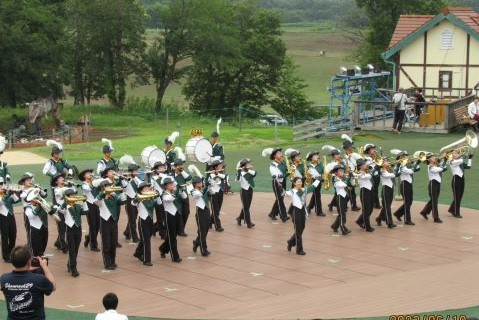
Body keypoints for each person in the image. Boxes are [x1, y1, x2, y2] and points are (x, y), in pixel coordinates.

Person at [1, 245, 56, 320]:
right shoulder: (39, 279)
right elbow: (53, 286)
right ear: (29, 262)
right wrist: (44, 267)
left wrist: (27, 268)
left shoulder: (4, 279)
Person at [95, 169, 124, 270]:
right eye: (106, 186)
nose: (109, 188)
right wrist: (104, 194)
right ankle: (107, 263)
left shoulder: (114, 195)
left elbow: (122, 201)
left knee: (112, 243)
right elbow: (96, 202)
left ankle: (113, 261)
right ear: (103, 188)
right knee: (106, 243)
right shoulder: (100, 196)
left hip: (113, 220)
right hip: (105, 221)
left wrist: (121, 190)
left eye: (109, 186)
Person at [286, 177, 320, 255]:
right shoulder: (292, 191)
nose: (299, 183)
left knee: (302, 228)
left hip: (302, 212)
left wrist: (318, 180)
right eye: (298, 182)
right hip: (296, 212)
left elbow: (312, 187)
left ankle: (291, 241)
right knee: (298, 231)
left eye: (300, 182)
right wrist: (279, 187)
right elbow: (284, 194)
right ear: (294, 183)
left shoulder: (304, 190)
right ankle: (299, 250)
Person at [133, 182, 160, 266]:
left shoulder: (151, 198)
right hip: (143, 220)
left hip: (150, 220)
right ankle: (146, 260)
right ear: (141, 191)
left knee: (146, 238)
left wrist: (158, 196)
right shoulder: (139, 197)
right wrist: (137, 198)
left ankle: (138, 252)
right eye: (145, 188)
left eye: (148, 188)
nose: (148, 189)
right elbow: (133, 203)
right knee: (146, 241)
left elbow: (159, 203)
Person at [60, 189, 86, 277]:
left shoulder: (78, 206)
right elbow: (60, 210)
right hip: (70, 229)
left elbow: (85, 212)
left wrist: (84, 202)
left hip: (78, 228)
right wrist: (65, 201)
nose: (74, 197)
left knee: (76, 248)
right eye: (71, 195)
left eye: (74, 195)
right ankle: (73, 269)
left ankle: (70, 264)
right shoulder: (65, 207)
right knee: (72, 249)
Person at [393, 151, 421, 225]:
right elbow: (411, 171)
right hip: (405, 185)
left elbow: (417, 169)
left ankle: (398, 213)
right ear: (401, 158)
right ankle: (407, 220)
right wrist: (416, 163)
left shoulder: (408, 165)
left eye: (406, 156)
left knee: (409, 202)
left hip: (409, 184)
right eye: (405, 156)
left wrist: (417, 163)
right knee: (407, 202)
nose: (407, 157)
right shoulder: (402, 167)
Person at [159, 177, 182, 263]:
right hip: (169, 215)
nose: (172, 185)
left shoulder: (174, 191)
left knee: (173, 235)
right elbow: (170, 198)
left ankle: (163, 248)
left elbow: (184, 197)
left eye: (172, 184)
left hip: (176, 214)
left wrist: (182, 190)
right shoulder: (164, 194)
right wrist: (176, 190)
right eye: (169, 184)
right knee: (172, 237)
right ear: (165, 186)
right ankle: (175, 256)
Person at [419, 155, 447, 223]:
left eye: (435, 157)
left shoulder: (437, 165)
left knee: (433, 200)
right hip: (433, 184)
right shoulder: (430, 166)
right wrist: (444, 161)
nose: (435, 158)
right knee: (434, 202)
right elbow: (439, 169)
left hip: (437, 184)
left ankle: (424, 212)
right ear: (429, 160)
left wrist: (444, 161)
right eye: (433, 157)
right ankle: (436, 218)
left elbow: (445, 168)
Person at [80, 169, 101, 252]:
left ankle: (88, 237)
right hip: (89, 205)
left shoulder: (94, 182)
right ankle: (93, 245)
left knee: (97, 224)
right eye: (88, 173)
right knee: (92, 225)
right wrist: (95, 182)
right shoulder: (83, 185)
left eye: (91, 173)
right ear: (84, 176)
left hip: (96, 204)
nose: (90, 174)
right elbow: (89, 189)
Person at [266, 148, 289, 222]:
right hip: (277, 183)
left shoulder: (283, 163)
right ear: (275, 156)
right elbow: (276, 175)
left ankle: (272, 213)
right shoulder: (272, 165)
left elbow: (287, 170)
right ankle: (283, 216)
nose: (281, 154)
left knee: (281, 198)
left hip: (283, 182)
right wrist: (286, 174)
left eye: (281, 153)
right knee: (280, 200)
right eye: (279, 153)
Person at [448, 150, 473, 218]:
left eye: (455, 153)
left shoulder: (460, 161)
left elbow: (468, 167)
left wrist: (470, 158)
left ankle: (451, 209)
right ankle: (456, 213)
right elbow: (460, 161)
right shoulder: (452, 161)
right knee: (457, 197)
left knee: (460, 196)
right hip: (456, 179)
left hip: (462, 179)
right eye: (453, 153)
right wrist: (463, 155)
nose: (453, 154)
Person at [0, 179, 20, 262]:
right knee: (5, 236)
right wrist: (8, 193)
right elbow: (2, 201)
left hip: (10, 215)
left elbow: (17, 200)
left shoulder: (7, 192)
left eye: (2, 183)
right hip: (2, 216)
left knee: (13, 234)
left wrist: (14, 192)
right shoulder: (3, 194)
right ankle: (6, 256)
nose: (1, 185)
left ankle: (11, 253)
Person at [191, 176, 211, 257]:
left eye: (200, 182)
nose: (200, 184)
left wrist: (210, 187)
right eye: (198, 183)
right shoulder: (194, 191)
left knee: (205, 230)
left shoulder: (203, 189)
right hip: (200, 212)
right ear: (194, 184)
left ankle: (196, 242)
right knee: (202, 231)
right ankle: (204, 250)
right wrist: (206, 186)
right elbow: (201, 194)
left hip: (206, 210)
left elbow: (211, 194)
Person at [123, 164, 142, 243]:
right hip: (129, 200)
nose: (136, 172)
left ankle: (127, 232)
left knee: (133, 218)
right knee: (132, 219)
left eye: (136, 171)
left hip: (136, 200)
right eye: (135, 171)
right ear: (131, 171)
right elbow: (124, 187)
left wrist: (135, 177)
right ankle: (134, 237)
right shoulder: (125, 179)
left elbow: (140, 185)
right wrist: (125, 178)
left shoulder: (137, 179)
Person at [172, 159, 191, 237]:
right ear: (175, 167)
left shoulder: (183, 174)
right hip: (176, 196)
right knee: (178, 213)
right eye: (179, 165)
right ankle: (180, 230)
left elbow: (189, 178)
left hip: (184, 195)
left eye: (181, 165)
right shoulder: (171, 175)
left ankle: (181, 228)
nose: (181, 167)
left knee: (186, 212)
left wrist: (182, 171)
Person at [376, 159, 397, 229]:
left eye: (388, 161)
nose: (388, 162)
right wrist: (392, 172)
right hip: (385, 189)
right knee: (387, 207)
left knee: (387, 206)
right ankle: (389, 223)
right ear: (382, 164)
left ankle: (379, 218)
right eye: (386, 162)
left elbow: (395, 174)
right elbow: (391, 175)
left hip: (391, 188)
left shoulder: (389, 169)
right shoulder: (382, 171)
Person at [355, 159, 374, 232]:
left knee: (371, 208)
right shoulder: (359, 173)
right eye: (364, 164)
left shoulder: (366, 171)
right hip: (364, 192)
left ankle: (360, 220)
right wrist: (371, 170)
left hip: (370, 190)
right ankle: (367, 227)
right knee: (366, 210)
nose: (366, 165)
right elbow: (367, 177)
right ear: (360, 166)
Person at [330, 165, 351, 235]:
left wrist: (352, 178)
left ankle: (334, 226)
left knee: (341, 214)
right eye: (340, 171)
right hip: (340, 198)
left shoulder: (343, 178)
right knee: (342, 215)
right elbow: (343, 185)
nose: (342, 172)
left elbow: (352, 184)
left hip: (345, 198)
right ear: (336, 173)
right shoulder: (335, 179)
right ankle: (343, 229)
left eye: (342, 171)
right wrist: (348, 178)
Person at [236, 158, 256, 228]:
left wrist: (248, 169)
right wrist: (239, 171)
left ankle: (239, 218)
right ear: (244, 166)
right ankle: (248, 223)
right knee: (246, 207)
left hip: (250, 189)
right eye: (248, 164)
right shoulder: (241, 173)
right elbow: (238, 179)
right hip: (243, 190)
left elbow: (254, 174)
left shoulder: (251, 171)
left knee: (247, 206)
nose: (250, 165)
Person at [207, 160, 226, 231]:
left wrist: (217, 173)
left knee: (218, 209)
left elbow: (224, 177)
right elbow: (206, 183)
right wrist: (213, 174)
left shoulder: (222, 174)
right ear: (216, 167)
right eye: (220, 165)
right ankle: (218, 226)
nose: (222, 166)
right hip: (213, 194)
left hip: (220, 193)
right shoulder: (211, 175)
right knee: (215, 210)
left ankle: (209, 222)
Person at [305, 151, 325, 216]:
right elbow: (309, 175)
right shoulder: (309, 166)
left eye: (317, 155)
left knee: (315, 195)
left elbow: (323, 173)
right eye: (315, 156)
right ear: (311, 158)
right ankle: (319, 212)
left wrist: (323, 178)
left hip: (319, 181)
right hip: (314, 181)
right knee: (317, 195)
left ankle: (309, 207)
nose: (317, 157)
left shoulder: (321, 165)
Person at [363, 144, 382, 209]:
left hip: (377, 176)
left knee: (375, 190)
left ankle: (374, 203)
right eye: (372, 149)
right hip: (371, 177)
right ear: (368, 151)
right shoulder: (366, 159)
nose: (374, 150)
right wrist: (376, 167)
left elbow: (380, 165)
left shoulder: (376, 157)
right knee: (373, 190)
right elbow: (368, 169)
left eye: (374, 148)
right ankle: (376, 204)